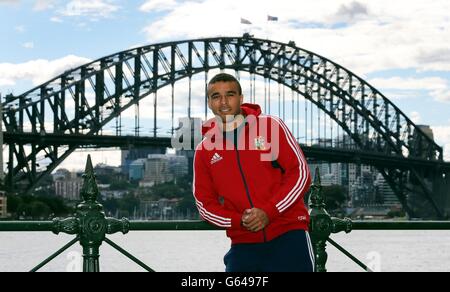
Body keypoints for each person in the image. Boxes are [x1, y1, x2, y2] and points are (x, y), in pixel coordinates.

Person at [193, 73, 314, 272]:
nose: (223, 102)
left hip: (289, 236)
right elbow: (205, 205)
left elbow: (300, 173)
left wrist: (269, 212)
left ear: (241, 98)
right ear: (209, 102)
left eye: (230, 95)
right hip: (243, 245)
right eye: (216, 96)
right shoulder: (204, 150)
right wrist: (238, 221)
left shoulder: (271, 127)